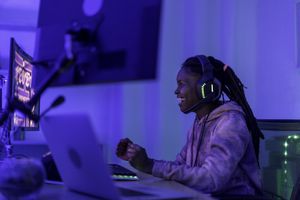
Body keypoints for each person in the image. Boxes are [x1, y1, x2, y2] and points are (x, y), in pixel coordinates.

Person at [116, 55, 264, 197]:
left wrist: (150, 166)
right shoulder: (200, 123)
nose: (176, 91)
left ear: (206, 88)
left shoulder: (231, 123)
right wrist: (142, 160)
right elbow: (180, 167)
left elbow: (211, 179)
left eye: (182, 84)